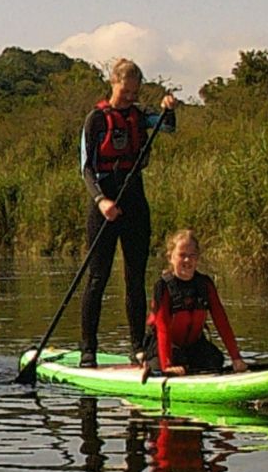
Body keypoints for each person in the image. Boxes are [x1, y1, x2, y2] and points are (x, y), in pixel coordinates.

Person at [79, 58, 176, 367]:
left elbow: (169, 127)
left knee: (135, 279)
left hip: (135, 202)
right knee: (98, 278)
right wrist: (101, 201)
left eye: (135, 92)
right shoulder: (95, 119)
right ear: (113, 83)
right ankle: (88, 349)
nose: (130, 97)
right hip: (105, 205)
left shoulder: (141, 115)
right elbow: (86, 169)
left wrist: (168, 108)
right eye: (126, 90)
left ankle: (137, 347)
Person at [141, 228, 247, 378]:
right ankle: (147, 362)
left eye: (192, 256)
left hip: (193, 346)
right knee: (169, 361)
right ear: (170, 257)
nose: (187, 260)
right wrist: (168, 365)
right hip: (164, 347)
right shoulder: (163, 286)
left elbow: (222, 322)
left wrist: (236, 358)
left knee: (215, 359)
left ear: (197, 258)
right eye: (182, 255)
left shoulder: (205, 284)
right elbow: (162, 327)